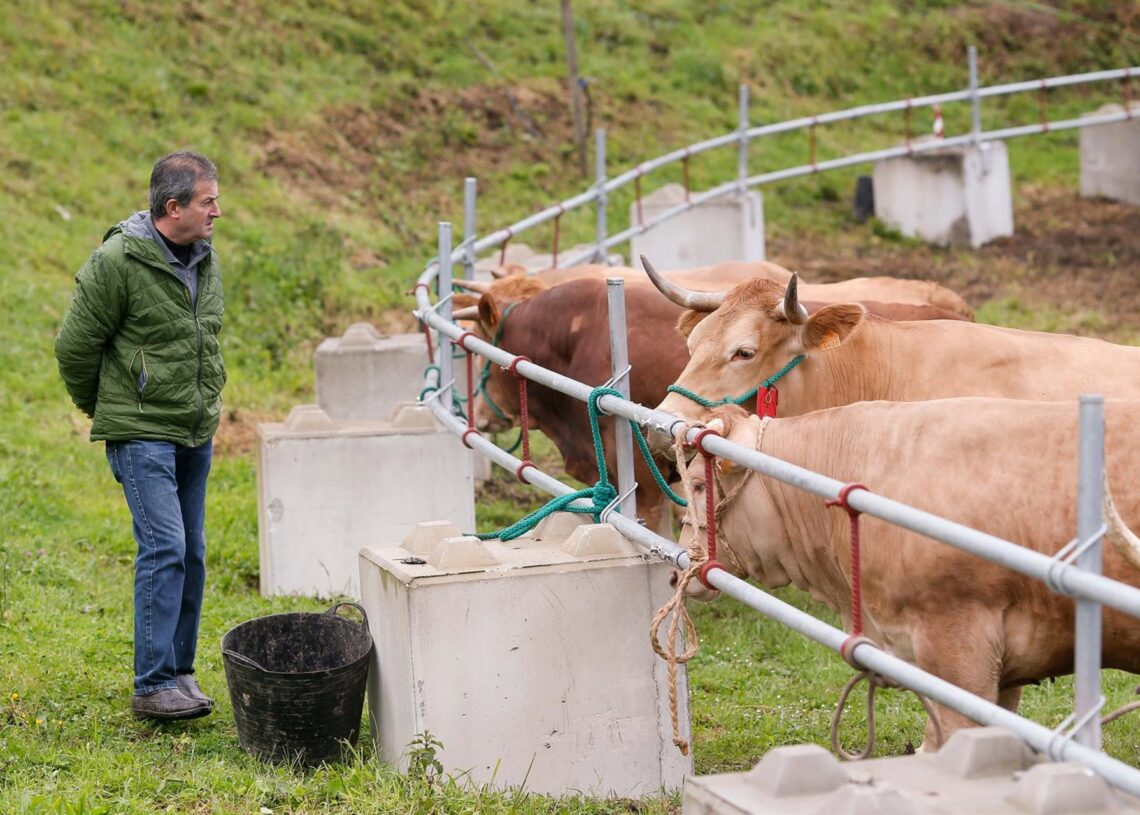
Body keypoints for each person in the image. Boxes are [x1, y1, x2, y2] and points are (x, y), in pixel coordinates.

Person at [55, 151, 226, 721]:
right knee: (165, 547)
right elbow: (74, 348)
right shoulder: (116, 261)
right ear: (173, 207)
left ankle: (179, 672)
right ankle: (152, 685)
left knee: (192, 552)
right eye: (208, 201)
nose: (217, 212)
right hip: (142, 432)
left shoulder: (205, 258)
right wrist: (112, 411)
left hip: (193, 428)